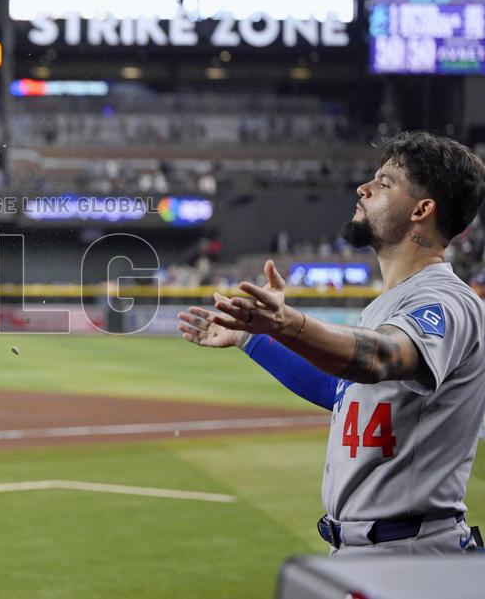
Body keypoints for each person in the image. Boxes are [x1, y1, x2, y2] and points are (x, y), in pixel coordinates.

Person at [178, 131, 485, 556]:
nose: (364, 188)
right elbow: (341, 390)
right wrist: (253, 339)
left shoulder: (447, 300)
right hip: (371, 552)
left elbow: (381, 358)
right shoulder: (389, 305)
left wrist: (289, 324)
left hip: (412, 558)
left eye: (384, 182)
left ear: (422, 209)